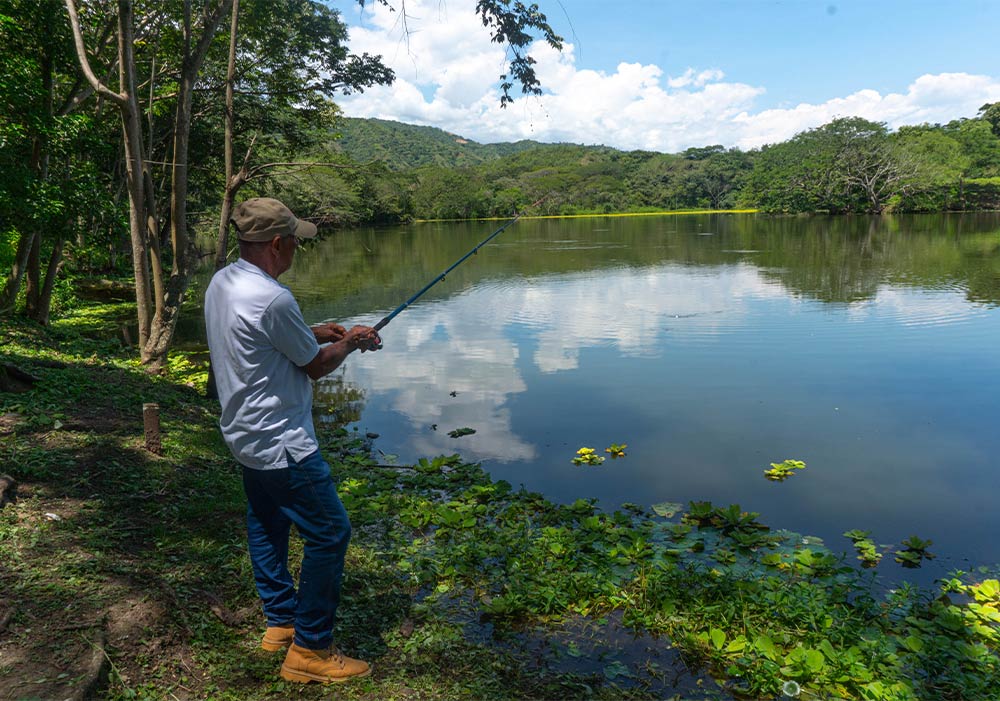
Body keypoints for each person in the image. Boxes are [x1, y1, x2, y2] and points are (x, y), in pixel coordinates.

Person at [204, 197, 381, 684]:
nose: (297, 250)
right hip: (283, 442)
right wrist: (349, 342)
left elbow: (262, 337)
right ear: (278, 244)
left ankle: (280, 623)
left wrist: (317, 330)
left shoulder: (225, 282)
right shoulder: (274, 299)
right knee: (330, 532)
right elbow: (316, 365)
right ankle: (310, 651)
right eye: (295, 242)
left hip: (244, 433)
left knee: (266, 521)